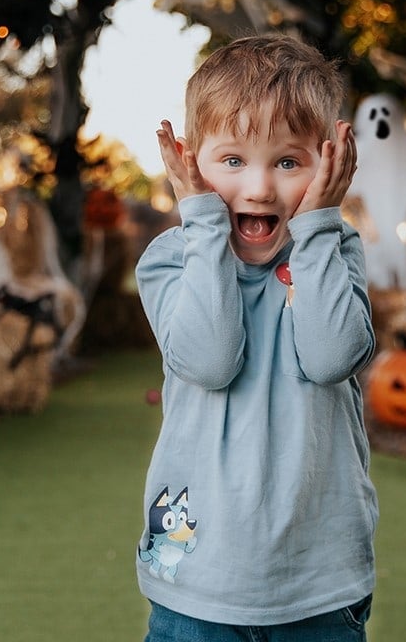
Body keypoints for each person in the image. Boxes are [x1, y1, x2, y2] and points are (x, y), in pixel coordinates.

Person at [134, 33, 378, 641]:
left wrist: (320, 225)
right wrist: (202, 223)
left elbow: (329, 359)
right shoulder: (171, 259)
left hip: (317, 584)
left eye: (288, 162)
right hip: (197, 583)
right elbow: (210, 360)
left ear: (327, 163)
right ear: (191, 162)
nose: (261, 188)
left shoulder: (334, 250)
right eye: (233, 161)